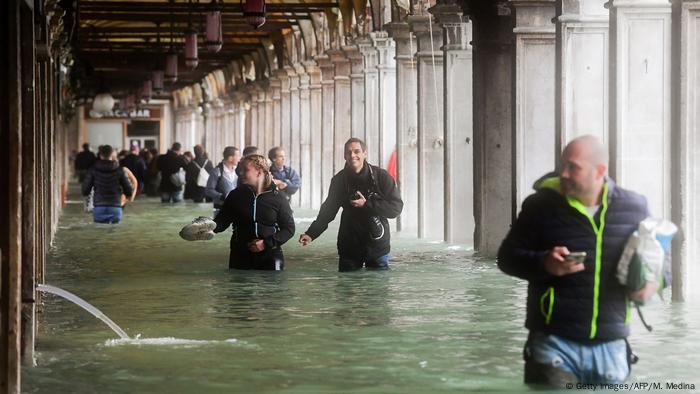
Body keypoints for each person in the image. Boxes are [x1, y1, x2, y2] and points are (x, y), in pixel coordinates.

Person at [497, 135, 653, 387]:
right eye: (562, 166)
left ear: (599, 171)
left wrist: (650, 286)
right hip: (553, 344)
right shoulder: (539, 206)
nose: (564, 174)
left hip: (612, 348)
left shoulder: (634, 207)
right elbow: (506, 259)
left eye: (573, 167)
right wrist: (545, 264)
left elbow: (658, 264)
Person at [298, 138, 403, 271]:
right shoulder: (339, 180)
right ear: (344, 156)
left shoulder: (382, 177)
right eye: (349, 152)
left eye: (357, 151)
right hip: (349, 245)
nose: (353, 155)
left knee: (378, 291)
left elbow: (396, 209)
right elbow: (328, 211)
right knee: (347, 289)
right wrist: (311, 234)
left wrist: (367, 204)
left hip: (377, 246)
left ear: (365, 154)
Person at [212, 154, 295, 270]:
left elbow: (289, 229)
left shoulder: (279, 198)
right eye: (240, 169)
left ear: (259, 172)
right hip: (240, 255)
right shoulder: (235, 195)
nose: (240, 173)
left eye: (245, 170)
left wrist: (266, 243)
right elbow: (221, 222)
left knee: (273, 288)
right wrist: (206, 229)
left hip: (270, 256)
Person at [81, 145, 133, 224]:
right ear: (112, 154)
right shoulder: (119, 170)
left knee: (100, 234)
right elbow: (129, 190)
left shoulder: (93, 170)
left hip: (99, 207)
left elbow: (85, 191)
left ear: (100, 154)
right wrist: (124, 196)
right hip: (115, 207)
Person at [206, 146, 241, 215]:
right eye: (237, 155)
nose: (239, 158)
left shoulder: (238, 171)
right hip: (220, 208)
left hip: (236, 207)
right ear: (230, 158)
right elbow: (208, 190)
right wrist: (222, 196)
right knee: (219, 225)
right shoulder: (216, 171)